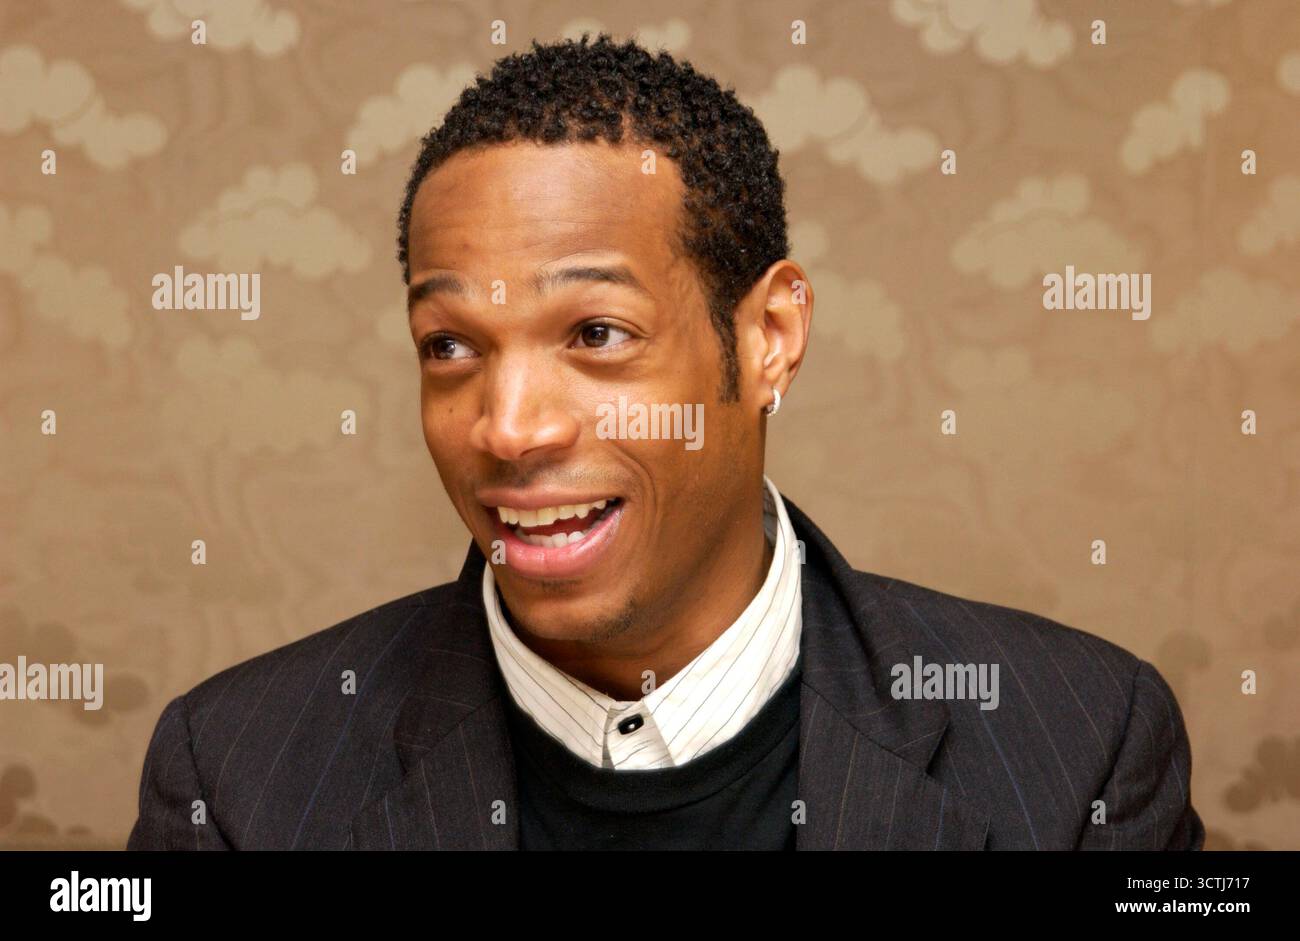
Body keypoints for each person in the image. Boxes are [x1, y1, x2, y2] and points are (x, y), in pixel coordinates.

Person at [127, 34, 1204, 851]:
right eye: (450, 344)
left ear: (769, 337)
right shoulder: (236, 773)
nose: (507, 427)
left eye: (596, 334)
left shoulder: (1080, 743)